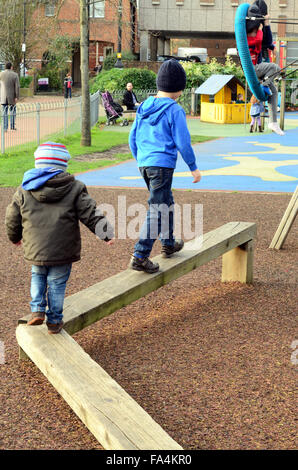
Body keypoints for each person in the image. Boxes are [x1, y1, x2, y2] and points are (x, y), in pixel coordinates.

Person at [5, 142, 114, 334]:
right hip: (63, 248)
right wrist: (105, 233)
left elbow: (12, 216)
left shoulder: (25, 188)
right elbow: (90, 212)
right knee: (57, 282)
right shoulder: (74, 187)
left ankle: (37, 310)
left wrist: (15, 237)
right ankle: (54, 320)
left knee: (38, 275)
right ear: (63, 165)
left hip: (35, 247)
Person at [128, 59, 201, 274]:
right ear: (180, 88)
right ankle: (140, 255)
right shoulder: (174, 110)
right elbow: (183, 142)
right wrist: (193, 167)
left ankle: (168, 242)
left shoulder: (143, 107)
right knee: (158, 209)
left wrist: (141, 159)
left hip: (145, 164)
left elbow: (132, 138)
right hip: (162, 166)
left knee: (165, 202)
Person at [246, 1, 284, 136]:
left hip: (258, 67)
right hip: (253, 69)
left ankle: (273, 122)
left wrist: (266, 25)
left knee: (273, 92)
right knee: (274, 67)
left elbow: (266, 43)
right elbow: (258, 40)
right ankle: (264, 84)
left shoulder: (256, 33)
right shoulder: (249, 33)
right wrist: (262, 28)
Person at [0, 62, 19, 131]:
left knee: (5, 111)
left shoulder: (1, 74)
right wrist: (16, 96)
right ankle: (12, 126)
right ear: (11, 67)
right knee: (13, 111)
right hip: (12, 96)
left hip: (3, 96)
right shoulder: (15, 75)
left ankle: (5, 127)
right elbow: (17, 87)